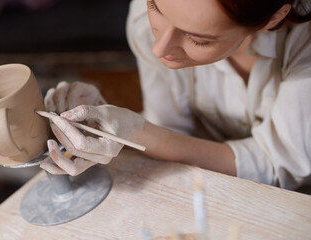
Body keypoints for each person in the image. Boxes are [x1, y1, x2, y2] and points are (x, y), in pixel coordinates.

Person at [40, 0, 311, 190]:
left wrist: (135, 132)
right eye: (156, 7)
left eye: (198, 39)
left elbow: (280, 167)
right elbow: (171, 131)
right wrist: (107, 118)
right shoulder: (144, 24)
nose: (159, 48)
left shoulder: (303, 40)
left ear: (272, 18)